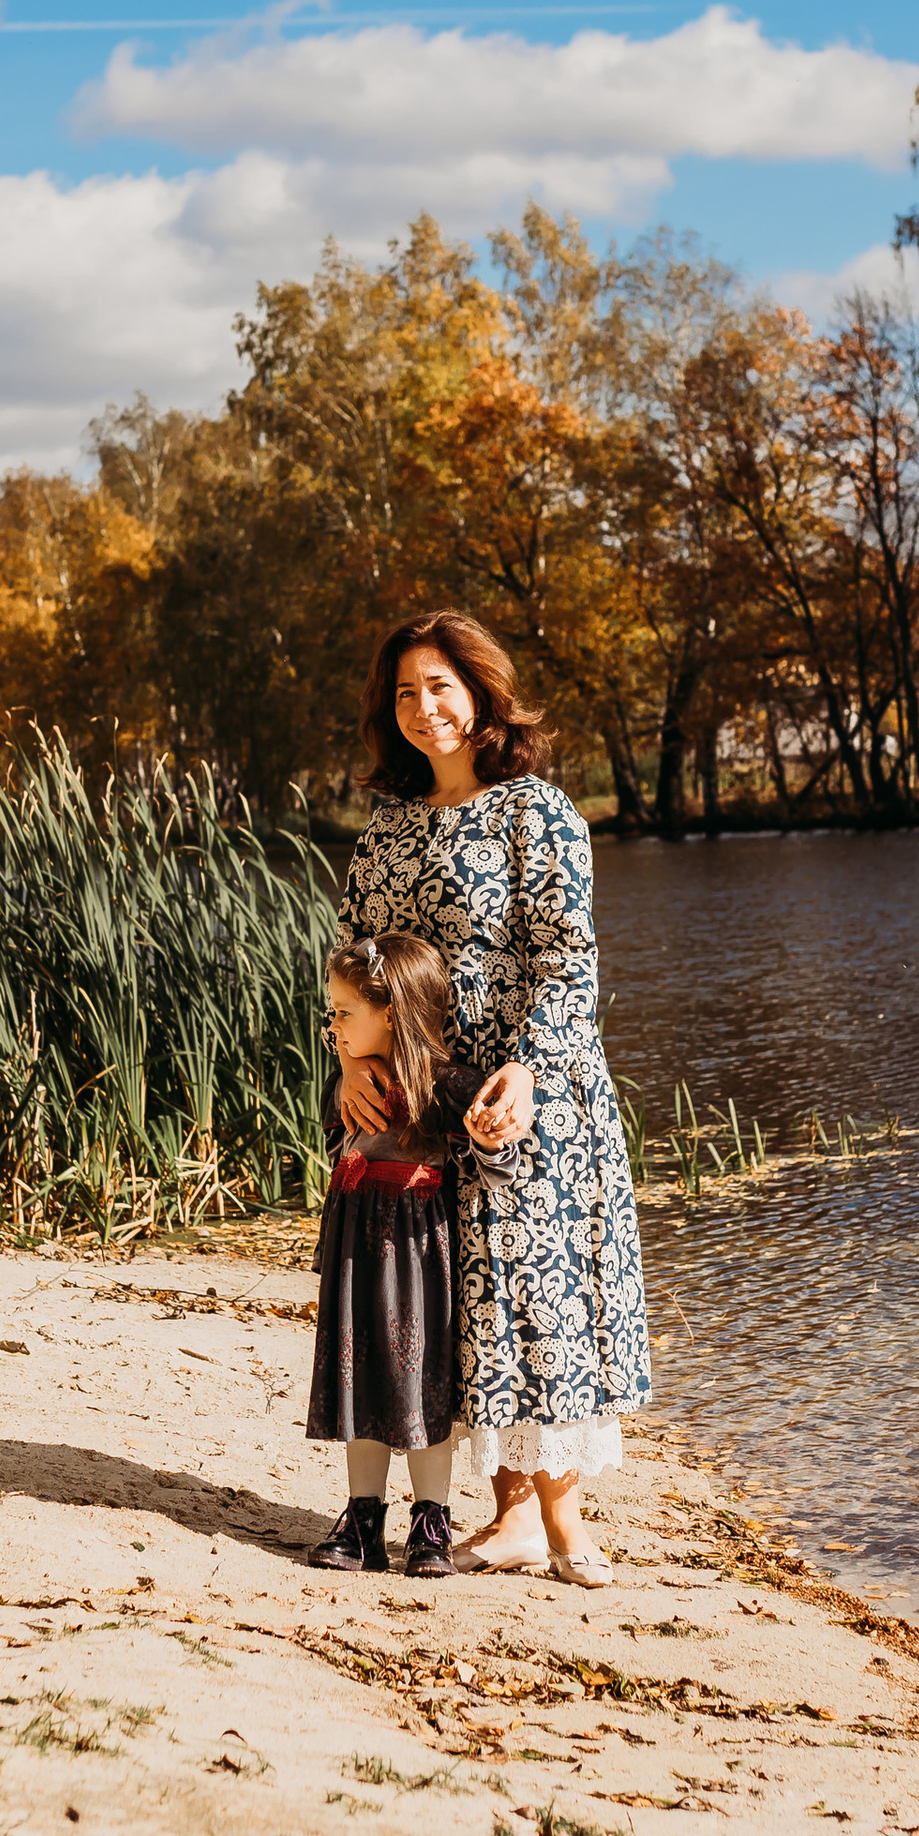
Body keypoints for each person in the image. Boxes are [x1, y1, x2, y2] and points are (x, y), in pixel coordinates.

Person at [339, 610, 652, 1586]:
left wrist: (528, 1070)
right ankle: (509, 1518)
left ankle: (563, 1523)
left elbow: (570, 962)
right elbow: (352, 963)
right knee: (464, 1299)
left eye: (440, 685)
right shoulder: (386, 829)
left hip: (531, 1088)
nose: (423, 707)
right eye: (405, 692)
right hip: (424, 1100)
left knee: (536, 1290)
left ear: (480, 694)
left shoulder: (535, 812)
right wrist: (349, 1062)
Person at [303, 926, 504, 1579]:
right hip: (354, 1251)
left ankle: (430, 1525)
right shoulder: (346, 1084)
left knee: (422, 1383)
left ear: (390, 1013)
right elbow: (337, 1139)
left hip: (415, 1254)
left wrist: (491, 1136)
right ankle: (363, 1522)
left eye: (343, 1013)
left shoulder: (445, 1086)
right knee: (359, 1379)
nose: (333, 1026)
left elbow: (496, 1149)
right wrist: (344, 1081)